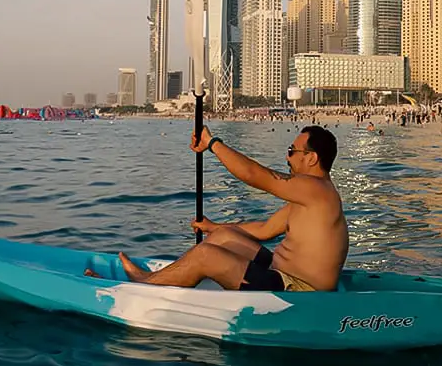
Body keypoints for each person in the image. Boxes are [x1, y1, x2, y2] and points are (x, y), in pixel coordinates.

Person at [86, 124, 349, 292]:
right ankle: (163, 278)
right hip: (279, 273)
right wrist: (215, 227)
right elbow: (264, 230)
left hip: (299, 290)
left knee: (206, 256)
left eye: (292, 150)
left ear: (312, 158)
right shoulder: (309, 196)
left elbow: (255, 175)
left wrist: (213, 144)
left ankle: (143, 286)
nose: (287, 156)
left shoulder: (318, 191)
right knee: (222, 238)